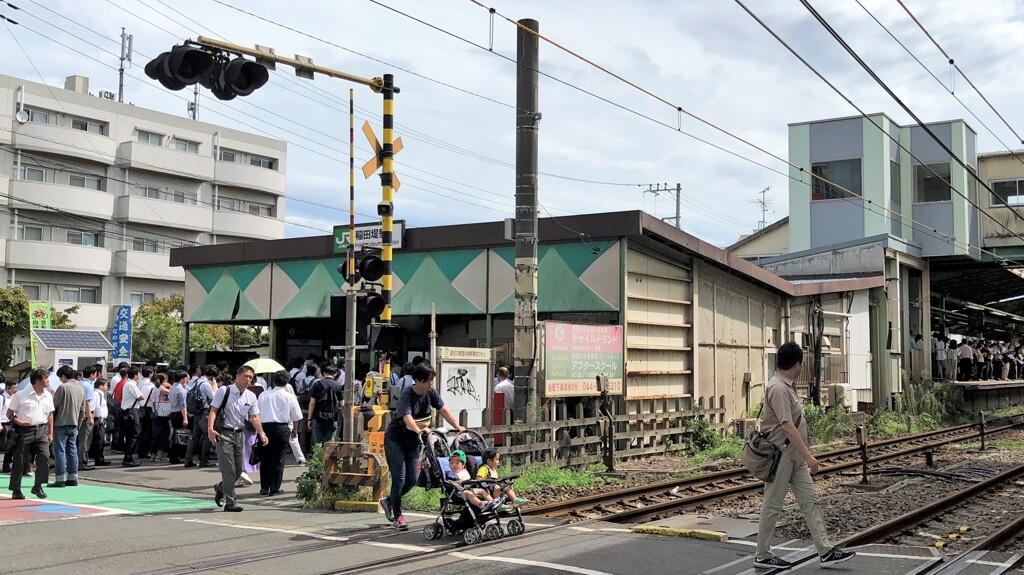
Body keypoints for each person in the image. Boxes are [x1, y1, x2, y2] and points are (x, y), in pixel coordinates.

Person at [754, 342, 854, 570]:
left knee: (810, 501)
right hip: (782, 457)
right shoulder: (778, 388)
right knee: (772, 505)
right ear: (796, 364)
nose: (802, 368)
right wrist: (809, 456)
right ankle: (762, 554)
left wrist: (803, 456)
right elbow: (788, 426)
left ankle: (825, 550)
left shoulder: (785, 386)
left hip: (793, 457)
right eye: (801, 364)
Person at [379, 363, 464, 531]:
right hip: (396, 439)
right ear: (417, 380)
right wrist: (420, 431)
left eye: (432, 380)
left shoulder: (430, 393)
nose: (431, 384)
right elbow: (407, 419)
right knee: (400, 478)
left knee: (412, 480)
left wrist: (458, 426)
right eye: (428, 381)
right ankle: (398, 516)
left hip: (413, 442)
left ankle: (389, 501)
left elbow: (443, 409)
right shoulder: (407, 395)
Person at [208, 366, 268, 512]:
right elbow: (213, 410)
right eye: (246, 376)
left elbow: (254, 417)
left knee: (239, 470)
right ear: (238, 375)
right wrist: (210, 429)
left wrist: (261, 433)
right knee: (228, 470)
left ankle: (221, 488)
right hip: (224, 433)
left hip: (240, 433)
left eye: (251, 377)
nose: (248, 380)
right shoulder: (224, 391)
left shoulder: (251, 396)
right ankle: (230, 502)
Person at [6, 368, 55, 500]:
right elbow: (9, 413)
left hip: (42, 430)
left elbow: (50, 415)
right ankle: (16, 489)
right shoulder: (21, 395)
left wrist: (51, 433)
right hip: (24, 431)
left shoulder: (48, 395)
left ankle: (38, 485)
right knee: (20, 460)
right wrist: (17, 420)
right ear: (38, 380)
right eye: (46, 378)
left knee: (44, 457)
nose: (48, 381)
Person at [257, 371, 302, 495]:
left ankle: (264, 487)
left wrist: (259, 430)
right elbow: (297, 416)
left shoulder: (263, 395)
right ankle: (275, 487)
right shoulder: (290, 397)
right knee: (278, 458)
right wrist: (294, 430)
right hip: (282, 428)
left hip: (265, 428)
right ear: (287, 382)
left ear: (273, 381)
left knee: (265, 458)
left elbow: (257, 413)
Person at [51, 365, 87, 487]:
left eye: (60, 377)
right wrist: (78, 424)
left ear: (63, 376)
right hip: (74, 423)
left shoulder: (62, 388)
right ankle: (73, 477)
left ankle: (60, 478)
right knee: (72, 450)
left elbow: (54, 406)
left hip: (60, 423)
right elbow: (82, 410)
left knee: (60, 451)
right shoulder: (81, 389)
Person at [185, 365, 217, 468]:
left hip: (196, 411)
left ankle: (188, 459)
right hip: (204, 411)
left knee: (195, 436)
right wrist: (213, 387)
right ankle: (204, 460)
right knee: (207, 436)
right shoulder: (206, 384)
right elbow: (213, 397)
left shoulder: (196, 381)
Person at [307, 364, 343, 447]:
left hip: (318, 417)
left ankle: (318, 459)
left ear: (323, 373)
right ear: (335, 374)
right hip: (333, 418)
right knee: (330, 444)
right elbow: (342, 404)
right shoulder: (338, 386)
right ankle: (328, 459)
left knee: (317, 444)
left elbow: (312, 403)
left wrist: (309, 419)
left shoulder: (317, 384)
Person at [119, 367, 144, 467]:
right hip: (132, 411)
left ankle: (128, 457)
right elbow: (141, 397)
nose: (140, 375)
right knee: (134, 435)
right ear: (135, 374)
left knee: (130, 435)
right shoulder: (131, 385)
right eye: (138, 373)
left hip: (127, 410)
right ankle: (128, 457)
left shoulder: (128, 383)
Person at [77, 366, 98, 470]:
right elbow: (87, 402)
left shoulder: (79, 383)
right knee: (85, 439)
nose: (96, 376)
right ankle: (82, 461)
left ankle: (80, 460)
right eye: (95, 374)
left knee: (80, 438)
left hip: (78, 413)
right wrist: (90, 417)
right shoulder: (88, 386)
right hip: (86, 414)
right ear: (91, 374)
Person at [167, 370, 189, 465]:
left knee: (175, 434)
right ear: (183, 378)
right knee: (180, 435)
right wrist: (185, 418)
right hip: (179, 413)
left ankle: (173, 455)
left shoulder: (172, 388)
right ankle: (177, 455)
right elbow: (183, 405)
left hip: (172, 412)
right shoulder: (181, 390)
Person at [89, 379, 110, 467]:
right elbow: (97, 406)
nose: (107, 387)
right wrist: (100, 416)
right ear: (101, 386)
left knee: (100, 439)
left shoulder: (100, 394)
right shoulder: (97, 394)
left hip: (101, 419)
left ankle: (99, 457)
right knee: (99, 439)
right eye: (106, 385)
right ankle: (98, 458)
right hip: (99, 419)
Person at [2, 378, 17, 473]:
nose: (15, 390)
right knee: (2, 445)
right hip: (2, 422)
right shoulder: (2, 398)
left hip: (11, 423)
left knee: (10, 446)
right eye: (14, 388)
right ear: (8, 388)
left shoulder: (14, 397)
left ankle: (6, 466)